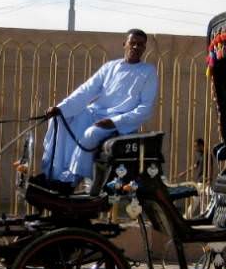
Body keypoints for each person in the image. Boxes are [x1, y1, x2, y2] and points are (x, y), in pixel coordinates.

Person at [41, 29, 158, 190]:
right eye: (133, 43)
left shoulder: (148, 71)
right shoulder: (110, 67)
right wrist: (60, 108)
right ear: (125, 44)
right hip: (95, 113)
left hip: (119, 121)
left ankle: (71, 180)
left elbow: (145, 108)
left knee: (91, 133)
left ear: (144, 48)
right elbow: (86, 90)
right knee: (61, 119)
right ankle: (54, 174)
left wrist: (114, 121)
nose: (136, 47)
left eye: (140, 45)